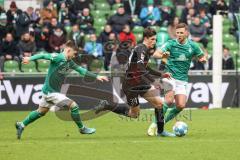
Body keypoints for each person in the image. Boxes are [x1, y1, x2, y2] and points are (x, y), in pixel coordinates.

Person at [15, 40, 108, 139]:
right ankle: (82, 128)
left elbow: (81, 70)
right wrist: (29, 58)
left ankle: (22, 124)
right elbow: (43, 56)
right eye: (73, 53)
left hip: (48, 91)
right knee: (74, 106)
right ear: (68, 50)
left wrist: (97, 76)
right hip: (51, 92)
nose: (74, 56)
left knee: (41, 111)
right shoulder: (58, 57)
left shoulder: (70, 62)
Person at [95, 27, 175, 137]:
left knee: (160, 104)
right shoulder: (141, 49)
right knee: (134, 114)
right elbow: (141, 68)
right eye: (152, 39)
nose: (154, 42)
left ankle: (161, 131)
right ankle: (107, 105)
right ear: (146, 38)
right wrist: (154, 81)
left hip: (141, 83)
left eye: (155, 39)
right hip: (131, 85)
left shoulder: (145, 50)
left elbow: (146, 68)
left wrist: (161, 75)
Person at [147, 23, 207, 136]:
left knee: (180, 105)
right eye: (177, 32)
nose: (179, 34)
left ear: (187, 33)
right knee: (169, 100)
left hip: (182, 79)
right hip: (169, 76)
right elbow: (155, 54)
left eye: (181, 32)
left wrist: (203, 59)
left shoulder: (193, 46)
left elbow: (202, 56)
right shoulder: (171, 43)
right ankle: (154, 125)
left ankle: (162, 123)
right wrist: (163, 55)